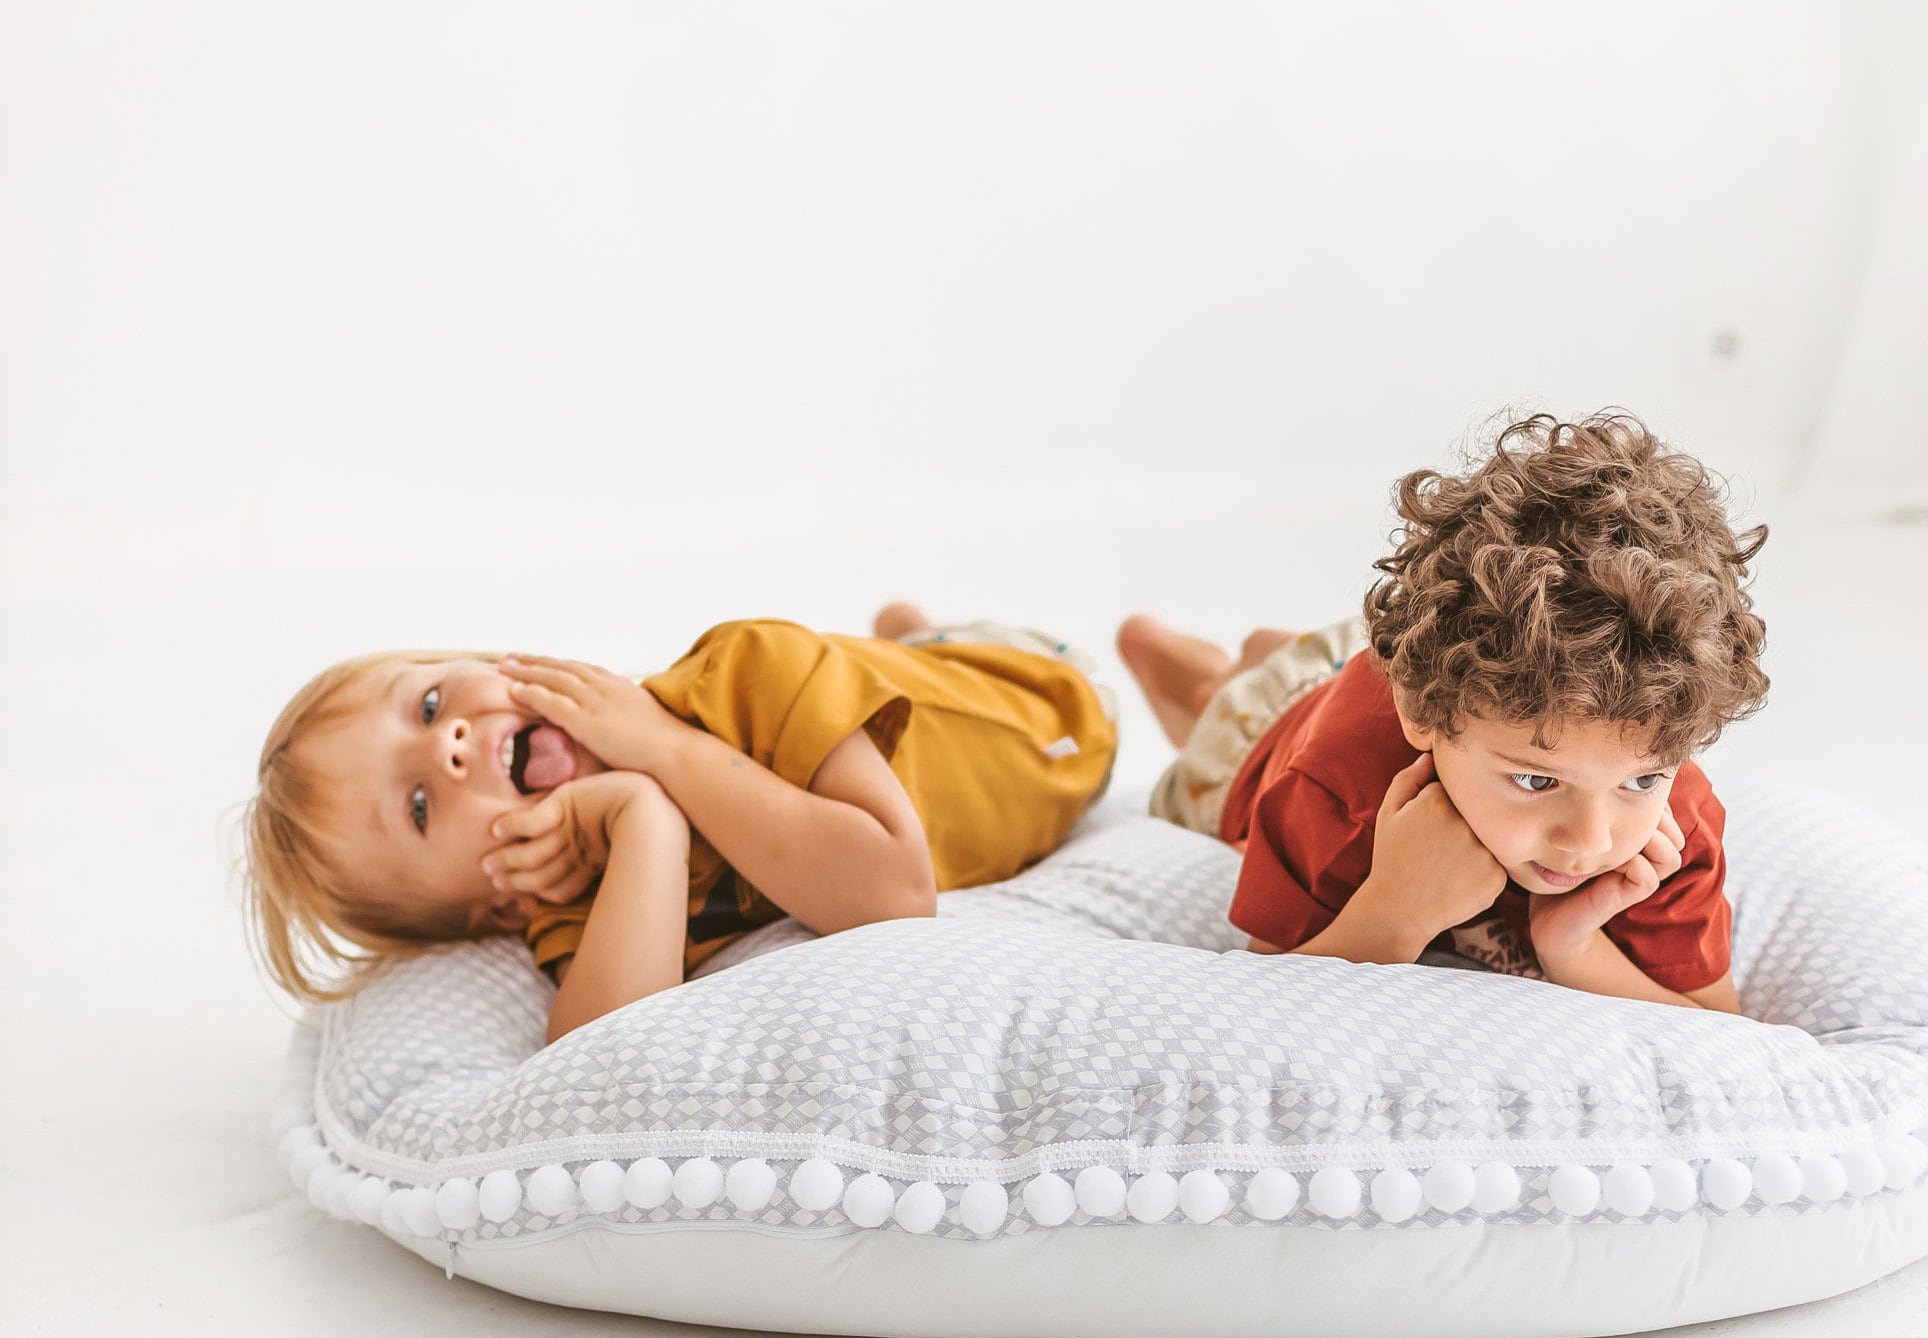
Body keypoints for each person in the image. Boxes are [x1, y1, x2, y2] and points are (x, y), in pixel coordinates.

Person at [1118, 411, 1768, 1012]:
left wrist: (1572, 946)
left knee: (1292, 656)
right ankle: (1168, 656)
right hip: (1265, 732)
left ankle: (1271, 652)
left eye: (1641, 781)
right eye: (1537, 780)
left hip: (1415, 663)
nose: (1591, 843)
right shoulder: (1337, 793)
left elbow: (1719, 1024)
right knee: (1215, 708)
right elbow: (1269, 993)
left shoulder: (1667, 829)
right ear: (1421, 717)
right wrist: (1396, 911)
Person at [241, 609, 1116, 1044]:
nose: (453, 743)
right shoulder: (573, 912)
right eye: (421, 806)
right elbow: (602, 1062)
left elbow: (893, 896)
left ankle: (916, 631)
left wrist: (662, 750)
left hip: (1047, 710)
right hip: (924, 693)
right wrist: (642, 816)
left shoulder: (748, 669)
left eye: (429, 704)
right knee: (890, 651)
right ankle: (902, 627)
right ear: (496, 910)